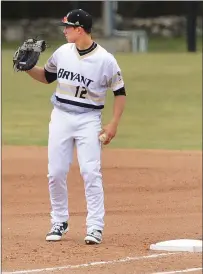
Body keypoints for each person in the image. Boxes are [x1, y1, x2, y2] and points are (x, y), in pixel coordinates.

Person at [25, 9, 126, 244]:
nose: (64, 30)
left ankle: (95, 226)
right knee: (56, 172)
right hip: (60, 116)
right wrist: (28, 67)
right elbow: (46, 77)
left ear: (79, 29)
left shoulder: (105, 60)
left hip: (89, 120)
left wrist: (113, 123)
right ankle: (59, 221)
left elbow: (119, 93)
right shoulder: (62, 53)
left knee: (90, 172)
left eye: (68, 27)